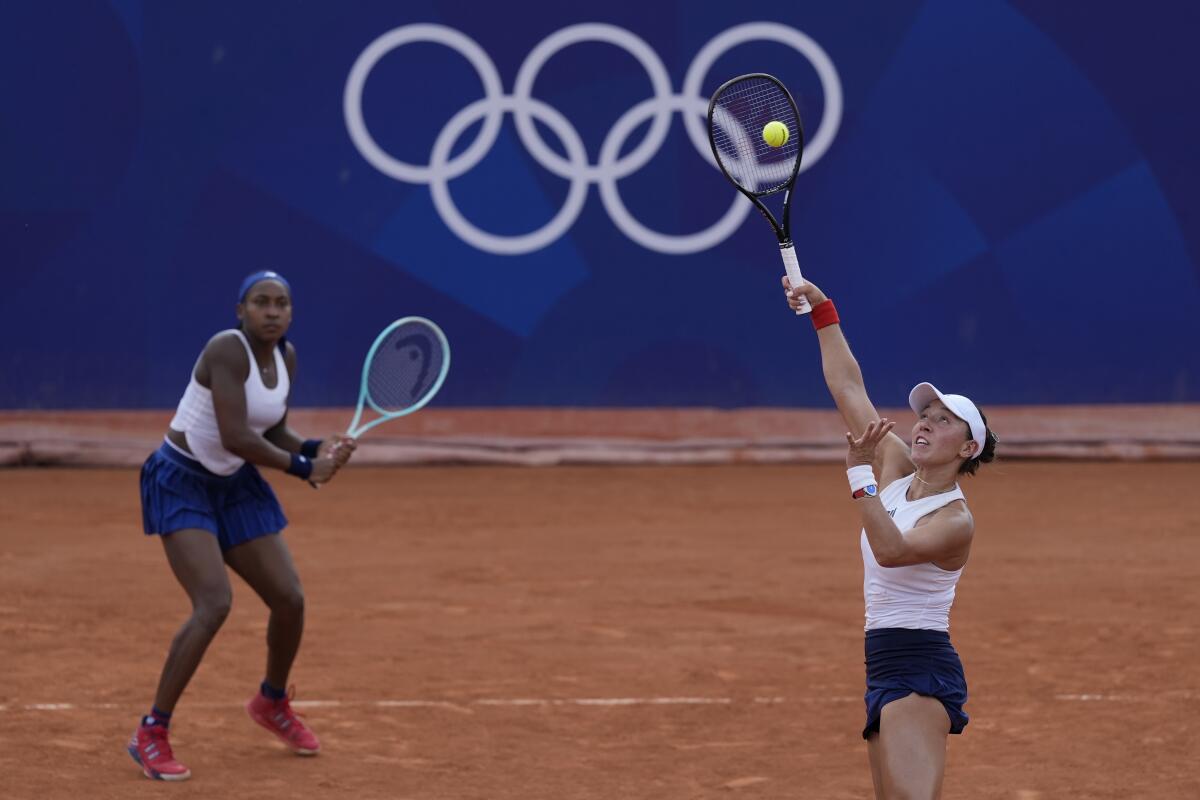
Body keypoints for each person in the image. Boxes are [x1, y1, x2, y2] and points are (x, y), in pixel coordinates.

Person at [128, 270, 357, 781]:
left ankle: (271, 702)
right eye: (261, 303)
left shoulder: (286, 357)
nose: (272, 312)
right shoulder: (226, 349)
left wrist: (315, 448)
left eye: (281, 304)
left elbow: (269, 426)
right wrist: (303, 469)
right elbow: (235, 435)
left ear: (291, 313)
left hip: (234, 487)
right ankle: (151, 732)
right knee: (213, 603)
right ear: (240, 310)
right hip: (182, 480)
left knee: (290, 599)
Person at [783, 276, 998, 799]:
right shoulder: (899, 469)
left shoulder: (954, 521)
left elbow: (891, 550)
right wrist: (823, 311)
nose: (924, 424)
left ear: (967, 449)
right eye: (924, 414)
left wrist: (860, 475)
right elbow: (849, 388)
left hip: (920, 669)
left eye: (943, 421)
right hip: (882, 662)